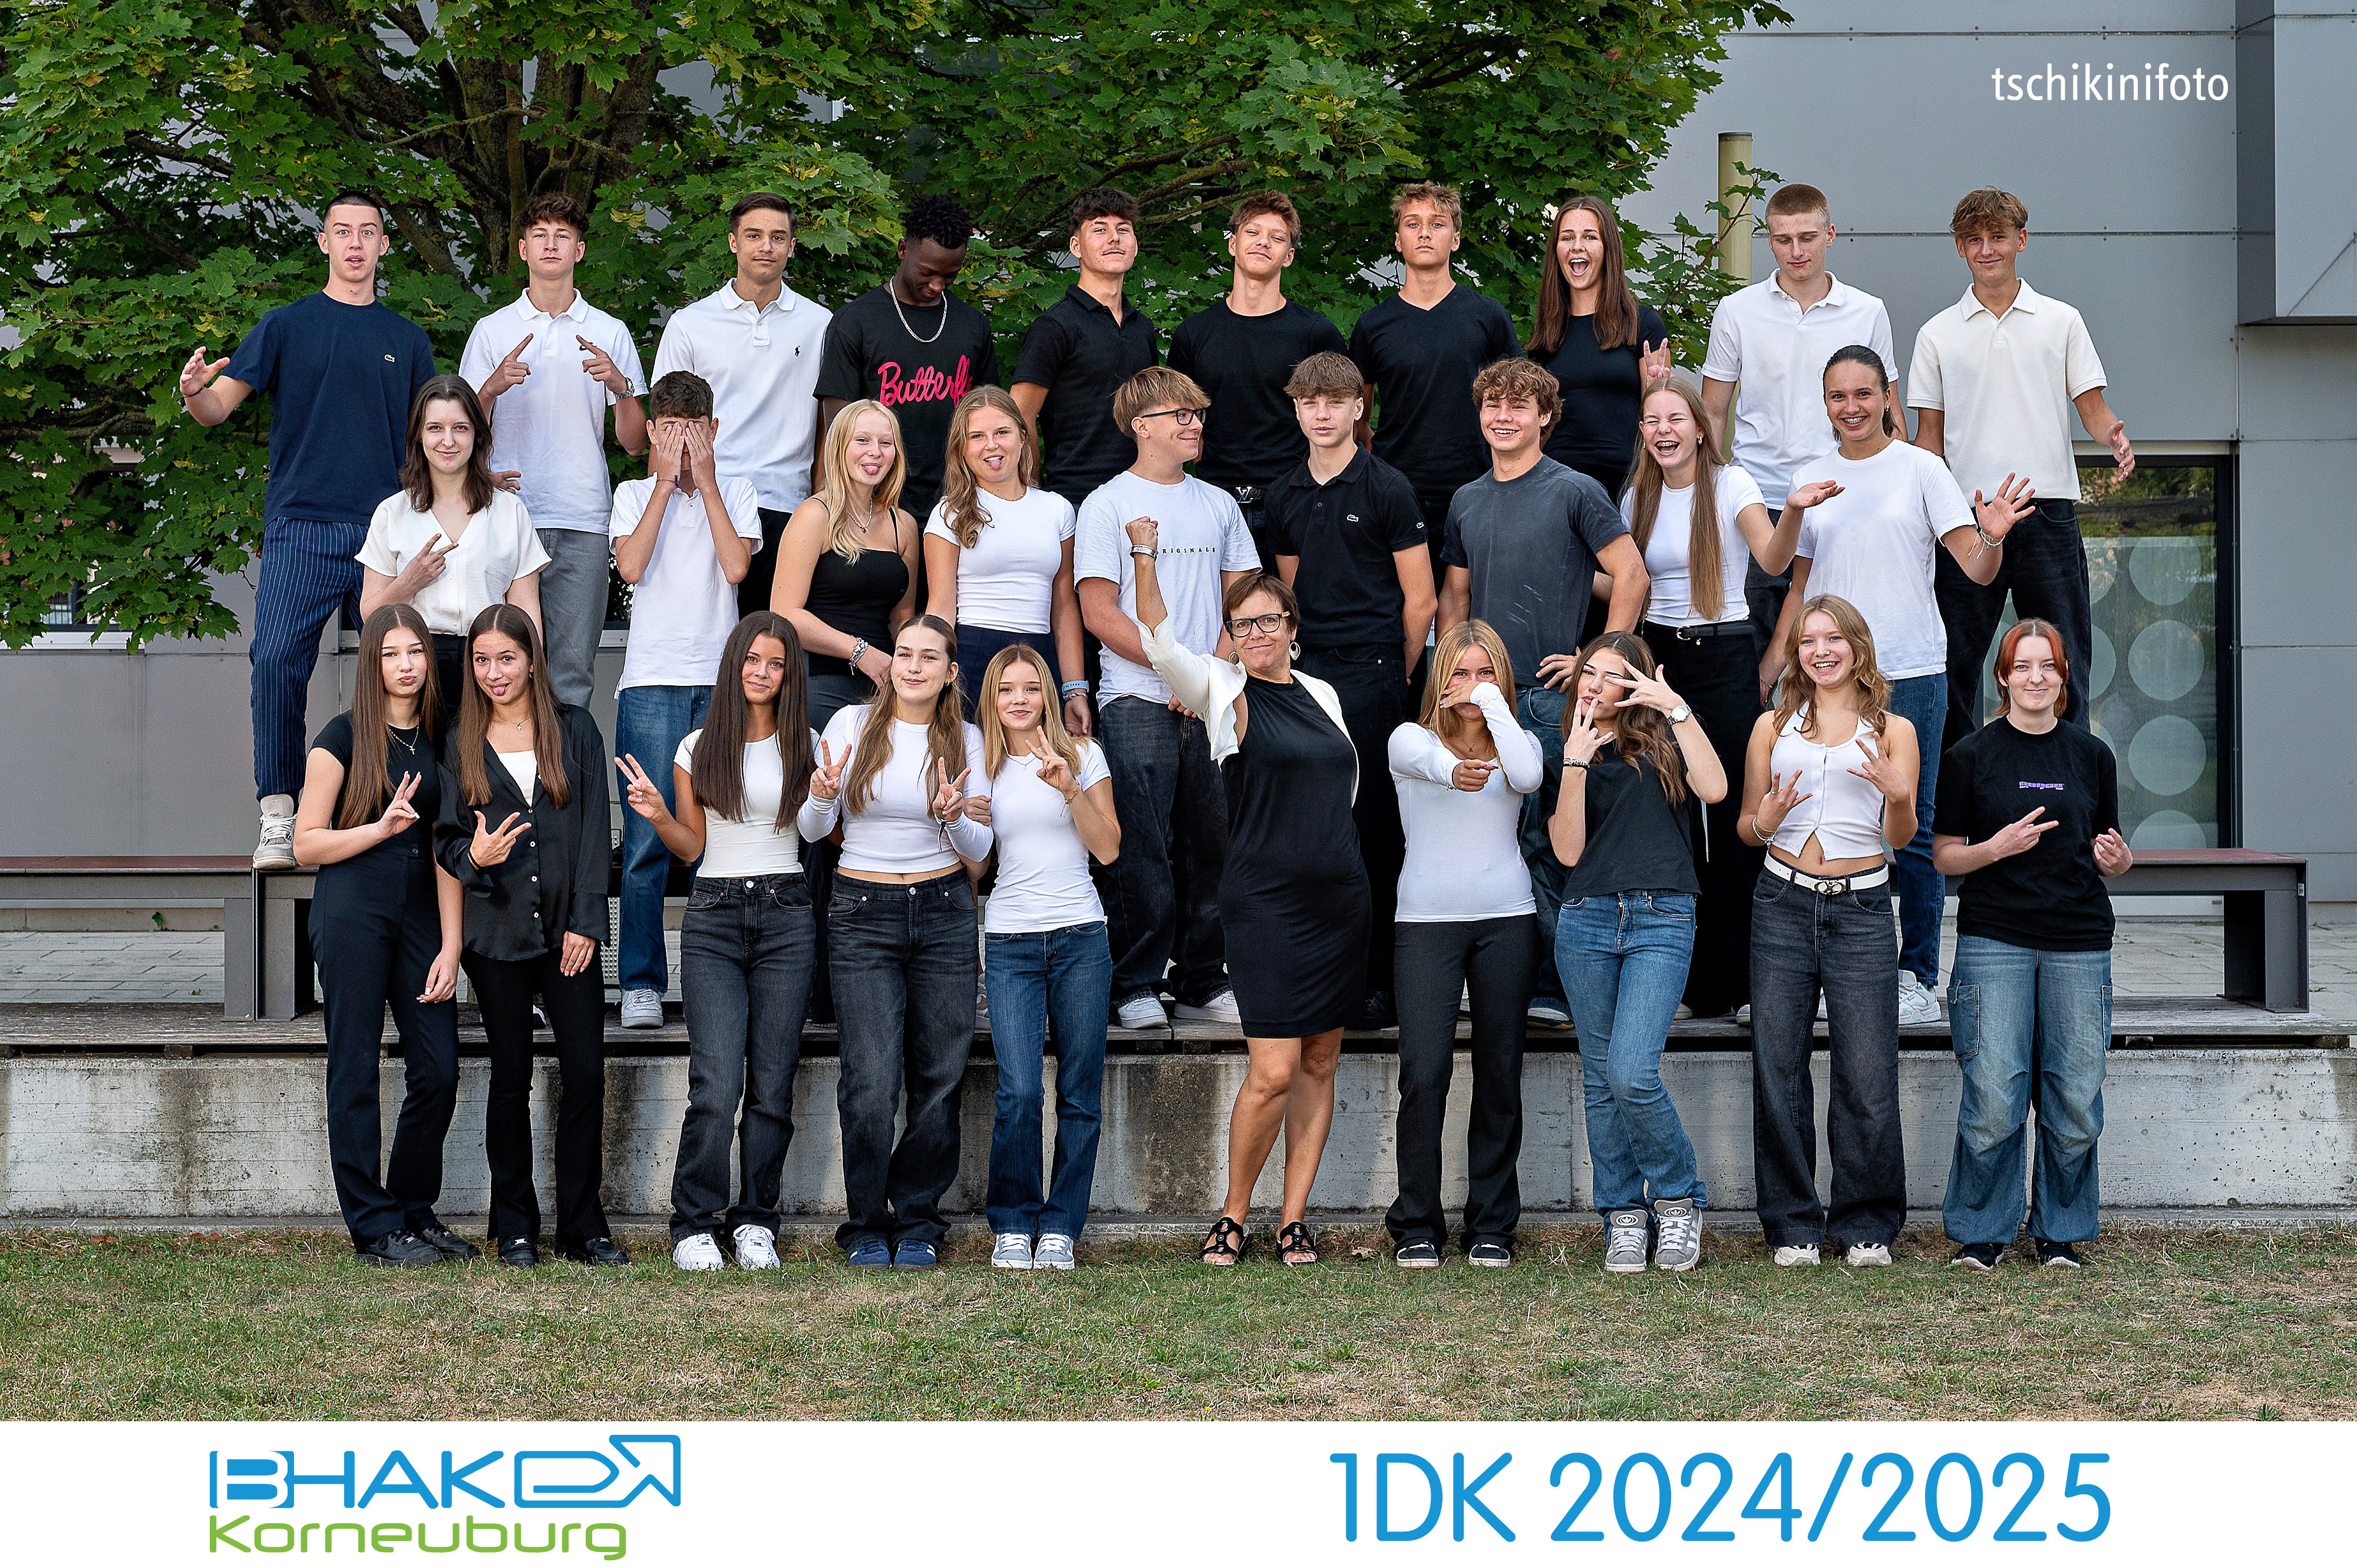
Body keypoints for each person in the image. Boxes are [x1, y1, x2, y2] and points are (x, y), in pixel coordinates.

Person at [1771, 345, 2035, 1024]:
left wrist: (1993, 536)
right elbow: (1798, 582)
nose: (1851, 407)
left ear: (1887, 397)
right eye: (1837, 396)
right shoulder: (1811, 476)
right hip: (1827, 673)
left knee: (1911, 830)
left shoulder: (1921, 469)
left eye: (1864, 394)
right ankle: (1830, 971)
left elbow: (1975, 567)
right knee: (1821, 816)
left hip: (1909, 671)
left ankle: (1914, 975)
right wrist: (1778, 658)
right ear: (1823, 402)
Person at [176, 190, 437, 869]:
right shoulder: (285, 326)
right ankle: (278, 815)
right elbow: (217, 409)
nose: (355, 243)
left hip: (386, 531)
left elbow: (434, 438)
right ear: (324, 242)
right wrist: (194, 392)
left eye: (368, 232)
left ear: (384, 245)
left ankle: (417, 807)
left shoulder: (407, 340)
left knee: (411, 665)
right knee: (273, 659)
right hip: (302, 527)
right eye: (342, 231)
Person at [1129, 543, 1366, 1270]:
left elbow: (1342, 790)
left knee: (1320, 1061)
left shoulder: (1322, 694)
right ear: (1230, 634)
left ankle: (1293, 1221)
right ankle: (1233, 1215)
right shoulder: (1220, 690)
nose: (1256, 634)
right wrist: (1144, 555)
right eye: (1242, 624)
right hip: (1264, 903)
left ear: (1292, 626)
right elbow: (1158, 644)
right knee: (1273, 1069)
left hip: (1339, 901)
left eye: (1268, 621)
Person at [1436, 356, 1647, 1029]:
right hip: (1481, 702)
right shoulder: (1466, 499)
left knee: (1554, 842)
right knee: (1492, 840)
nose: (1503, 417)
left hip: (1551, 702)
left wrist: (1597, 664)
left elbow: (1632, 575)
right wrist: (1450, 683)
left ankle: (1561, 988)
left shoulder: (1575, 490)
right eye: (1492, 405)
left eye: (1518, 406)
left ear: (1545, 416)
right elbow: (1455, 599)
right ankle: (1512, 981)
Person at [616, 611, 820, 1273]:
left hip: (787, 911)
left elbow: (817, 832)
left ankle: (756, 1220)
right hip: (714, 915)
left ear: (789, 675)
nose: (762, 672)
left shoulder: (807, 743)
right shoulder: (697, 746)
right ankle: (693, 1223)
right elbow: (691, 847)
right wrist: (657, 815)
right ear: (734, 664)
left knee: (772, 1083)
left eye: (776, 663)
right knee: (716, 1082)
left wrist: (826, 795)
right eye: (752, 659)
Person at [1933, 620, 2132, 1270]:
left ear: (2063, 678)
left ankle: (2060, 1232)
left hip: (2079, 940)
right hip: (1995, 940)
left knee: (2074, 1096)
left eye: (2047, 666)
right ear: (2003, 677)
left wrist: (2119, 860)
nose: (2035, 677)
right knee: (1994, 1096)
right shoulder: (1970, 756)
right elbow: (1942, 856)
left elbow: (2108, 849)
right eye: (2022, 666)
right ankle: (1981, 1232)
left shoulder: (2092, 756)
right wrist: (1996, 848)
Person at [797, 615, 993, 1269]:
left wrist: (953, 816)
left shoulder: (967, 739)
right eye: (904, 653)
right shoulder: (851, 725)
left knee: (939, 1077)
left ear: (950, 672)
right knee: (871, 1079)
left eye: (928, 657)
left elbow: (979, 852)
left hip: (943, 912)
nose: (912, 666)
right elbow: (813, 828)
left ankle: (917, 1221)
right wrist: (821, 795)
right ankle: (865, 1224)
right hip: (862, 912)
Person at [1910, 186, 2134, 754]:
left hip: (2046, 513)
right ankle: (1957, 792)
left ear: (2022, 240)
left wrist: (2113, 434)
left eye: (1998, 237)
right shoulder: (1936, 334)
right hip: (1966, 519)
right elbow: (1929, 439)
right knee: (1953, 665)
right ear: (1960, 247)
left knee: (2064, 661)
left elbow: (2092, 407)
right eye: (1975, 240)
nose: (1987, 249)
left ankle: (2068, 786)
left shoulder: (2063, 321)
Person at [1736, 596, 1922, 1269]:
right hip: (1781, 904)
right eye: (1808, 640)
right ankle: (1792, 1225)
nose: (1821, 650)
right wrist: (1767, 819)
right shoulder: (1772, 726)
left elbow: (1901, 837)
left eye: (1833, 638)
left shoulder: (1894, 730)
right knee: (1778, 1068)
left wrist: (1897, 795)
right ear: (1796, 654)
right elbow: (1746, 828)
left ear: (1857, 646)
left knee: (1866, 1074)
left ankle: (1866, 1223)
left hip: (1862, 909)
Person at [433, 604, 621, 1267]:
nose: (494, 672)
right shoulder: (458, 740)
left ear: (533, 660)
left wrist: (587, 922)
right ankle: (514, 1225)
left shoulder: (575, 730)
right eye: (482, 660)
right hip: (496, 934)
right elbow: (446, 841)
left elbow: (596, 830)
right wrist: (474, 857)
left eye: (507, 658)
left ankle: (582, 1226)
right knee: (510, 1076)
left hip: (570, 933)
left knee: (586, 1073)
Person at [1074, 366, 1261, 1031]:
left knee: (1214, 843)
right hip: (1135, 701)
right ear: (1140, 426)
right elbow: (1099, 612)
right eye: (1180, 414)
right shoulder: (1105, 504)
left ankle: (1204, 978)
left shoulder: (1219, 504)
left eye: (1198, 414)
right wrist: (1174, 671)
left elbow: (1244, 599)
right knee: (1141, 847)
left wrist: (1205, 674)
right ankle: (1135, 984)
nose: (1194, 424)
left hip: (1210, 699)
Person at [1621, 376, 1811, 1019]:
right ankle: (1692, 985)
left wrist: (1793, 511)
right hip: (1659, 662)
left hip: (1724, 654)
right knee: (1672, 822)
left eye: (1676, 418)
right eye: (1652, 421)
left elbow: (1774, 559)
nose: (1664, 430)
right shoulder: (1637, 497)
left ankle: (1753, 985)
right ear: (1642, 433)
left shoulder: (1732, 485)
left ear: (1701, 429)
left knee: (1732, 822)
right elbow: (1625, 581)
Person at [290, 604, 468, 1267]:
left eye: (414, 651)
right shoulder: (340, 737)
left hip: (422, 913)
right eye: (390, 653)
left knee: (439, 1068)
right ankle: (373, 1227)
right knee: (356, 1067)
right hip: (352, 909)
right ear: (372, 663)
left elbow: (448, 849)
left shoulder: (445, 739)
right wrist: (379, 828)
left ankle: (413, 1210)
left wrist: (452, 944)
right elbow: (306, 844)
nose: (405, 664)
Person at [1266, 350, 1437, 1028]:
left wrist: (1397, 673)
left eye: (1335, 401)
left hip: (1374, 670)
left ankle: (1378, 982)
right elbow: (1289, 597)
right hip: (1306, 674)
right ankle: (1319, 977)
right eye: (1309, 402)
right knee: (1311, 826)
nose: (1322, 413)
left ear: (1358, 407)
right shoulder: (1283, 493)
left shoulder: (1387, 487)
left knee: (1373, 828)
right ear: (1296, 409)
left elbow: (1420, 600)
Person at [1549, 633, 1728, 1273]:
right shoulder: (1566, 747)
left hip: (1662, 916)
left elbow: (1715, 789)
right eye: (1588, 673)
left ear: (1636, 686)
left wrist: (1673, 705)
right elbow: (1567, 852)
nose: (1595, 685)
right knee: (1601, 1080)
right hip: (1587, 921)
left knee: (1631, 1071)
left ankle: (1678, 1199)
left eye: (1613, 676)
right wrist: (1574, 763)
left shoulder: (1665, 741)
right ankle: (1623, 1215)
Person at [1382, 620, 1542, 1269]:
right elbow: (1432, 764)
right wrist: (1456, 770)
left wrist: (1494, 703)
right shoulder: (1410, 738)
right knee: (1425, 1071)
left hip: (1508, 919)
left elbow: (1527, 775)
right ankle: (1416, 1221)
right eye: (1459, 672)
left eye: (1485, 672)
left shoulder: (1520, 741)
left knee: (1500, 1072)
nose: (1472, 685)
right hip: (1426, 923)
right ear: (1438, 679)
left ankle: (1492, 1224)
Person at [608, 371, 763, 1029]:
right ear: (650, 433)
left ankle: (708, 978)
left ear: (713, 431)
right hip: (650, 683)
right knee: (647, 838)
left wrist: (706, 482)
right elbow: (631, 567)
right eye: (668, 431)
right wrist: (665, 487)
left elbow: (736, 567)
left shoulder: (739, 492)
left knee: (716, 836)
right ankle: (641, 982)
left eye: (692, 431)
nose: (681, 443)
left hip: (720, 685)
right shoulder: (631, 494)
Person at [460, 190, 649, 705]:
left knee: (571, 676)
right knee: (498, 669)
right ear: (523, 249)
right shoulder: (492, 330)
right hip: (504, 513)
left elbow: (635, 444)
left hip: (582, 518)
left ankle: (565, 764)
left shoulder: (609, 331)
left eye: (562, 235)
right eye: (539, 235)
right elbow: (458, 437)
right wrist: (491, 388)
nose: (550, 244)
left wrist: (622, 388)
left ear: (579, 250)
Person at [967, 643, 1121, 1270]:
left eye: (1031, 687)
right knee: (1020, 1090)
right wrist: (955, 819)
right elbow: (975, 866)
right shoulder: (982, 763)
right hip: (1010, 941)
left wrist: (1069, 788)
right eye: (1007, 689)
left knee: (1080, 1090)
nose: (1020, 699)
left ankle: (1060, 1226)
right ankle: (1013, 1221)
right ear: (992, 698)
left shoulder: (1083, 754)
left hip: (1081, 936)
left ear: (1049, 695)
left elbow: (1109, 848)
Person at [773, 400, 924, 1024]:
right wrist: (861, 652)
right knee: (821, 830)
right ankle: (814, 994)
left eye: (885, 443)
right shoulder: (814, 515)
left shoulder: (904, 525)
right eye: (862, 440)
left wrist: (912, 667)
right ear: (839, 447)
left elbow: (902, 617)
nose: (874, 453)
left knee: (880, 821)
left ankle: (875, 979)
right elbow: (785, 613)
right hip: (821, 684)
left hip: (886, 691)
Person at [1699, 183, 1894, 656]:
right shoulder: (1736, 311)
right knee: (1754, 638)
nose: (1796, 251)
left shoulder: (1868, 311)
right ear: (1769, 240)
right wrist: (1708, 493)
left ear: (1830, 234)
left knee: (1841, 635)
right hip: (1758, 499)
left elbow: (1886, 410)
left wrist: (1894, 490)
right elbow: (1712, 411)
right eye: (1783, 240)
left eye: (1807, 238)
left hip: (1842, 494)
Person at [652, 193, 831, 617]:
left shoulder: (821, 324)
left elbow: (830, 427)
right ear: (733, 242)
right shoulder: (690, 325)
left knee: (772, 642)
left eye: (777, 237)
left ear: (792, 246)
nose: (766, 246)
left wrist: (825, 503)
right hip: (708, 501)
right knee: (706, 639)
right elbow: (664, 425)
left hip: (789, 507)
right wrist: (664, 506)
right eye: (754, 235)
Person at [1346, 181, 1521, 577]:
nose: (1424, 233)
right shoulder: (1374, 325)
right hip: (1397, 494)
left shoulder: (1488, 317)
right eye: (1413, 224)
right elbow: (1358, 418)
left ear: (1455, 239)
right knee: (1404, 604)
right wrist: (1382, 470)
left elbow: (1520, 405)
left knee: (1471, 606)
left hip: (1478, 487)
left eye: (1437, 224)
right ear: (1398, 241)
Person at [1166, 190, 1348, 568]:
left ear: (1289, 256)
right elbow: (1176, 420)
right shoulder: (1193, 335)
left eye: (1277, 237)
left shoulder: (1316, 334)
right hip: (1212, 500)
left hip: (1295, 499)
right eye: (1253, 232)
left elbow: (1341, 422)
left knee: (1298, 604)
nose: (1264, 242)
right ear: (1233, 244)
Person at [358, 375, 547, 728]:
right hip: (418, 666)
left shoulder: (510, 512)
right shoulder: (392, 512)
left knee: (482, 763)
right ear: (419, 435)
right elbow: (371, 615)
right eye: (435, 428)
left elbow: (526, 615)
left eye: (460, 428)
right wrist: (408, 583)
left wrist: (529, 679)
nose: (448, 441)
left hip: (489, 666)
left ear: (478, 435)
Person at [817, 194, 1001, 530]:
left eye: (950, 276)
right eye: (928, 273)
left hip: (958, 504)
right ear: (903, 249)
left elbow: (988, 418)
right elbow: (839, 430)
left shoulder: (972, 325)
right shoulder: (855, 322)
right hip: (877, 505)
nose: (937, 285)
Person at [923, 387, 1089, 734]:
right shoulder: (949, 512)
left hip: (1040, 657)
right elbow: (940, 607)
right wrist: (934, 680)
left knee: (1040, 759)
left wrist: (1075, 689)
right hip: (972, 656)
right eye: (977, 436)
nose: (991, 445)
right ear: (962, 447)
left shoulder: (1057, 509)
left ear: (1023, 437)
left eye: (1002, 432)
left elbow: (1064, 606)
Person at [1012, 188, 1160, 510]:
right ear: (1076, 246)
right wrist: (1031, 498)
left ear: (1135, 245)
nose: (1115, 238)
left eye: (1123, 229)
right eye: (1100, 229)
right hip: (1075, 499)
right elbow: (1019, 415)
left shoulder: (1143, 329)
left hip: (1142, 496)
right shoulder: (1055, 327)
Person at [1524, 196, 1672, 497]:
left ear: (1608, 249)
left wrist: (1659, 393)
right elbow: (1537, 427)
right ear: (1556, 251)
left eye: (1590, 237)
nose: (1577, 246)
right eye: (1567, 238)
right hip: (1558, 490)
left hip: (1628, 486)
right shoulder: (1546, 335)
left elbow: (1661, 419)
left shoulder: (1643, 323)